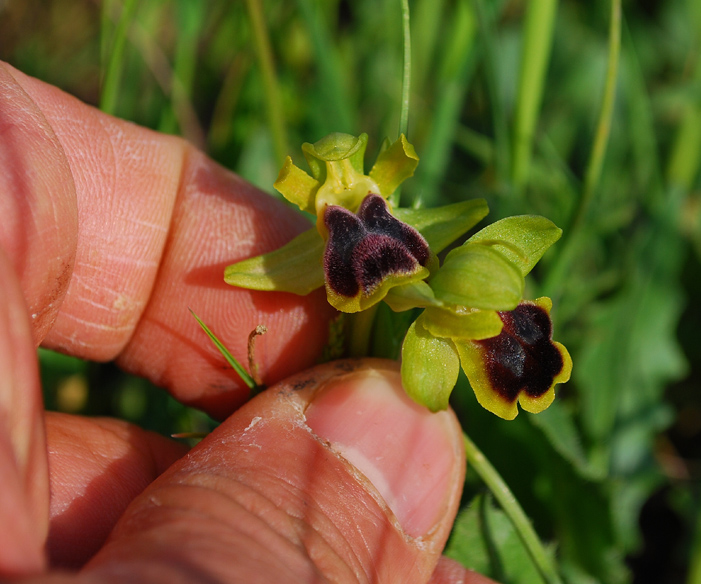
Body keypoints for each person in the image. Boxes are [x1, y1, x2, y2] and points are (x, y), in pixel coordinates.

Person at [0, 61, 493, 583]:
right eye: (335, 186)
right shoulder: (327, 235)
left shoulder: (379, 215)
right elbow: (259, 272)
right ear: (317, 198)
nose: (347, 185)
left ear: (380, 185)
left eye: (358, 182)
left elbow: (460, 217)